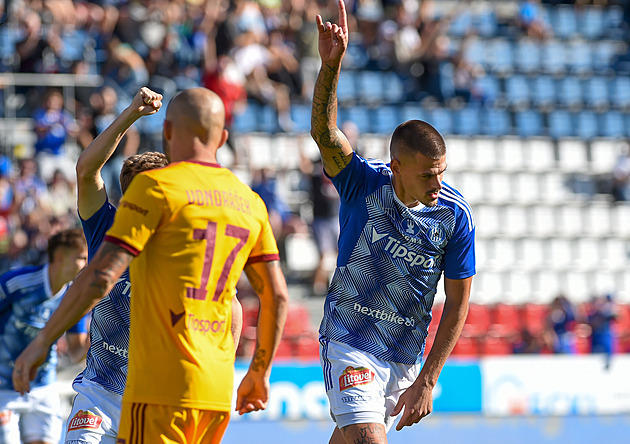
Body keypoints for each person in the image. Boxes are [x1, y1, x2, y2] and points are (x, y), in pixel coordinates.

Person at [13, 87, 289, 443]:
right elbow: (87, 170)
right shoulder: (113, 225)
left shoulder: (176, 221)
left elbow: (234, 307)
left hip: (154, 391)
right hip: (108, 393)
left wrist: (43, 342)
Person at [311, 1, 475, 442]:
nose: (437, 183)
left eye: (441, 172)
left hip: (404, 353)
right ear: (397, 166)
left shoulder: (455, 216)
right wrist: (331, 67)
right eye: (426, 174)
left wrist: (428, 378)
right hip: (350, 339)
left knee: (350, 438)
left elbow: (458, 301)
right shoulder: (362, 184)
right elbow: (326, 136)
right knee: (368, 437)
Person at [0, 228, 89, 444]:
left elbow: (77, 352)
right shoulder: (15, 284)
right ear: (60, 257)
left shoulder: (74, 297)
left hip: (43, 387)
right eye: (81, 258)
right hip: (3, 388)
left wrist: (102, 329)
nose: (87, 264)